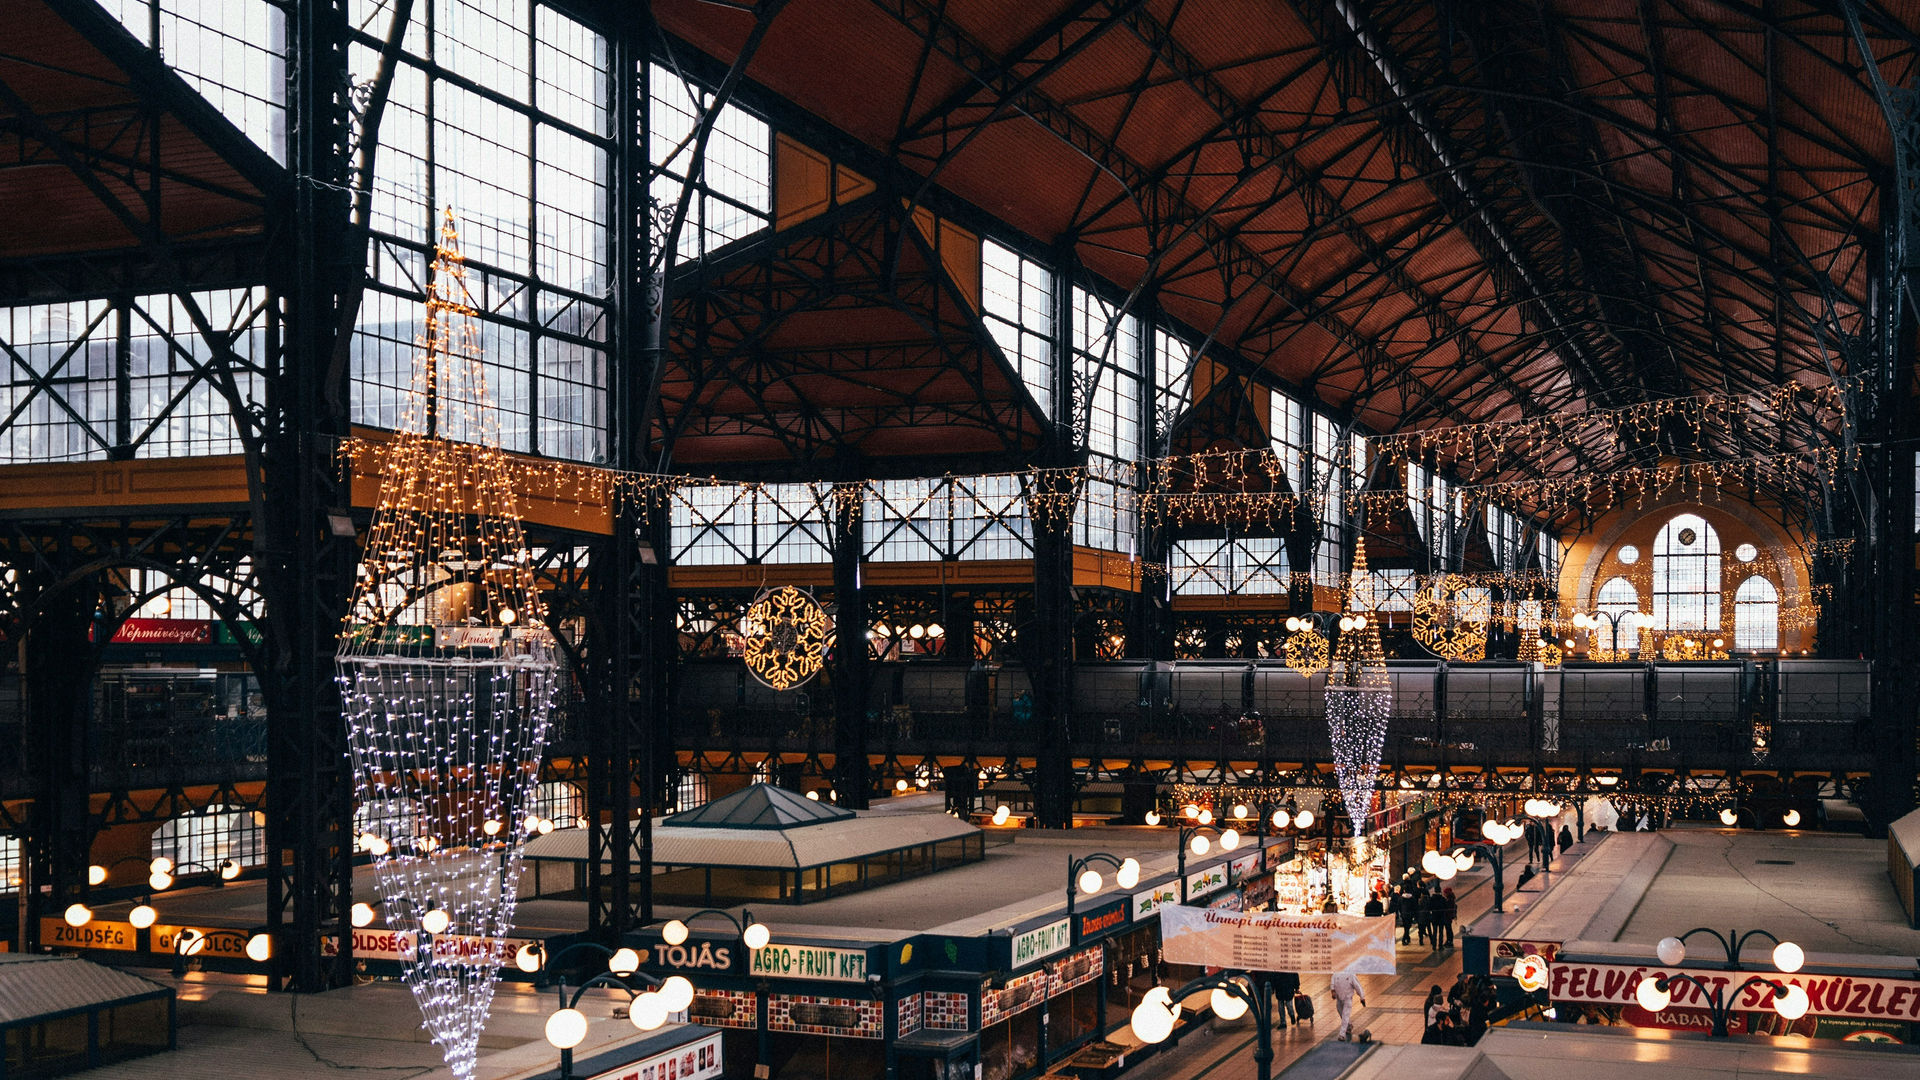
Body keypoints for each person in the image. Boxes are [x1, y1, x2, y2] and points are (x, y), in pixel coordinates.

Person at [1330, 970, 1366, 1041]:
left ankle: (1342, 1034)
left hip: (1347, 999)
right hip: (1339, 998)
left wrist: (1362, 997)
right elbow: (1332, 984)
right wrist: (1333, 992)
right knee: (1341, 1012)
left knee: (1345, 1015)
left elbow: (1358, 986)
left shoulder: (1351, 975)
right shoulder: (1336, 973)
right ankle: (1349, 1025)